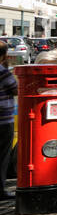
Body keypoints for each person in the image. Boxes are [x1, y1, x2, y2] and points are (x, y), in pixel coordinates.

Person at [0, 42, 17, 201]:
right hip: (3, 121)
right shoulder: (3, 72)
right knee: (3, 156)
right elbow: (16, 89)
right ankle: (0, 190)